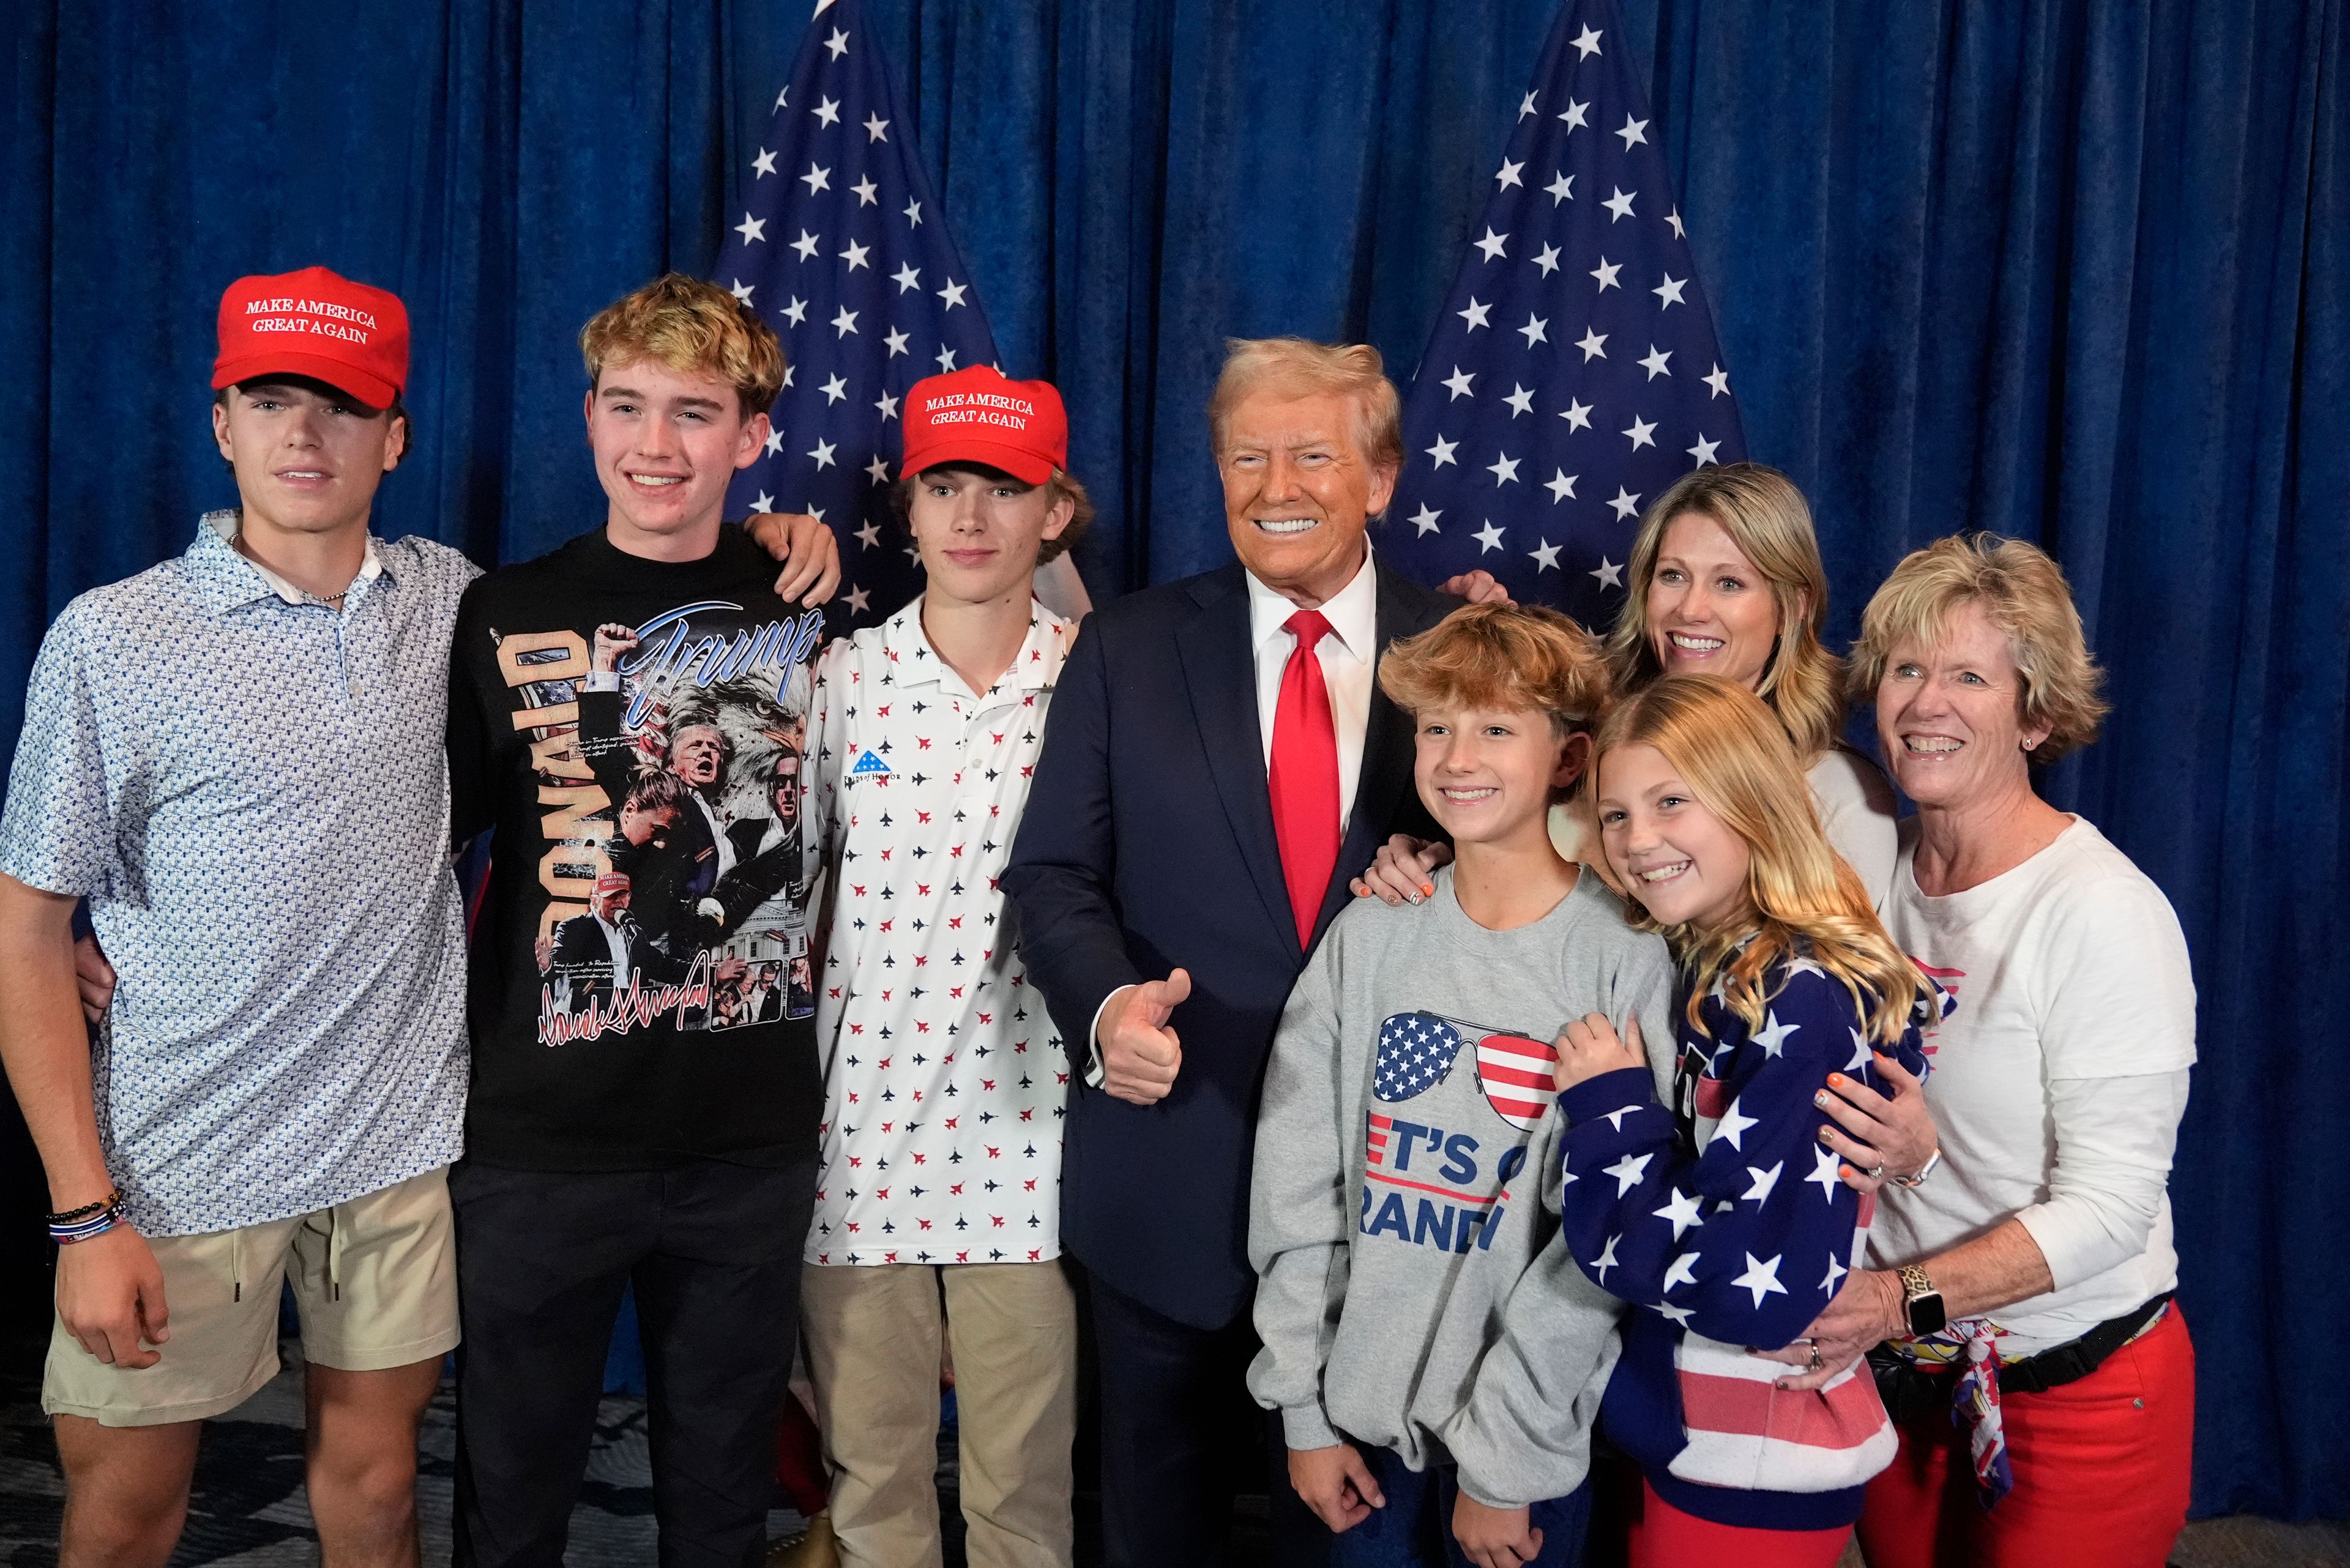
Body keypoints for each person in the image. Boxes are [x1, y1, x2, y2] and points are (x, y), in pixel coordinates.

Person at [1004, 337, 1503, 1567]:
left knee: (1347, 1543)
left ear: (1381, 478)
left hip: (1391, 1207)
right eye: (1247, 455)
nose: (1276, 481)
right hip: (1170, 1180)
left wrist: (1458, 867)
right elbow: (1054, 874)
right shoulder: (1126, 647)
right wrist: (1109, 1004)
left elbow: (1546, 877)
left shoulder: (1472, 653)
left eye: (1315, 453)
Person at [0, 267, 471, 1568]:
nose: (304, 436)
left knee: (377, 1494)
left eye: (341, 404)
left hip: (393, 1146)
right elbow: (29, 932)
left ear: (396, 435)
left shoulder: (454, 607)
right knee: (127, 1514)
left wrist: (773, 540)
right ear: (222, 424)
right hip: (175, 1163)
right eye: (271, 401)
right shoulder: (115, 637)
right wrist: (84, 1216)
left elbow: (625, 628)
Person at [442, 272, 831, 1566]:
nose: (655, 446)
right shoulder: (500, 611)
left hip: (748, 1140)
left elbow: (900, 756)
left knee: (722, 1501)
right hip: (540, 1139)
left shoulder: (815, 607)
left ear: (752, 434)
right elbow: (405, 850)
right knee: (513, 1489)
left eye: (695, 412)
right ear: (590, 414)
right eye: (627, 406)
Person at [1783, 534, 2197, 1568]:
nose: (1928, 703)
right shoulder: (1872, 866)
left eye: (1971, 675)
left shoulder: (2100, 911)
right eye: (1909, 669)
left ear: (2037, 713)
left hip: (2072, 1384)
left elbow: (2109, 1211)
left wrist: (1888, 1298)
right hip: (1906, 1376)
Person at [1248, 604, 1676, 1568]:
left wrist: (1504, 1462)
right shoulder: (1374, 933)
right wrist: (1305, 1407)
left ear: (1569, 760)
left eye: (1494, 727)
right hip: (1359, 1424)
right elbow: (1298, 1179)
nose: (1455, 755)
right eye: (1436, 727)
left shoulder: (1626, 958)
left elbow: (1597, 1248)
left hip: (1527, 1445)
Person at [796, 365, 1092, 1568]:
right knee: (873, 1493)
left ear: (1055, 512)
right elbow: (785, 908)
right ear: (908, 509)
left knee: (1022, 1501)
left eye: (1005, 490)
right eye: (946, 487)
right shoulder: (842, 682)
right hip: (857, 1151)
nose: (972, 520)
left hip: (1034, 1156)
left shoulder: (1102, 682)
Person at [1551, 675, 1938, 1567]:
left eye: (1672, 802)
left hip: (1758, 1447)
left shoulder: (1804, 1000)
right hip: (1698, 1417)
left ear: (1753, 801)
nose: (1638, 840)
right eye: (1615, 815)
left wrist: (1609, 1113)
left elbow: (1741, 1276)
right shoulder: (1722, 958)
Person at [1357, 463, 1898, 910]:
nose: (1691, 609)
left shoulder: (1835, 792)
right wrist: (1429, 865)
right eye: (1673, 575)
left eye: (1729, 582)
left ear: (1792, 608)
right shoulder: (1580, 751)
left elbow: (1833, 989)